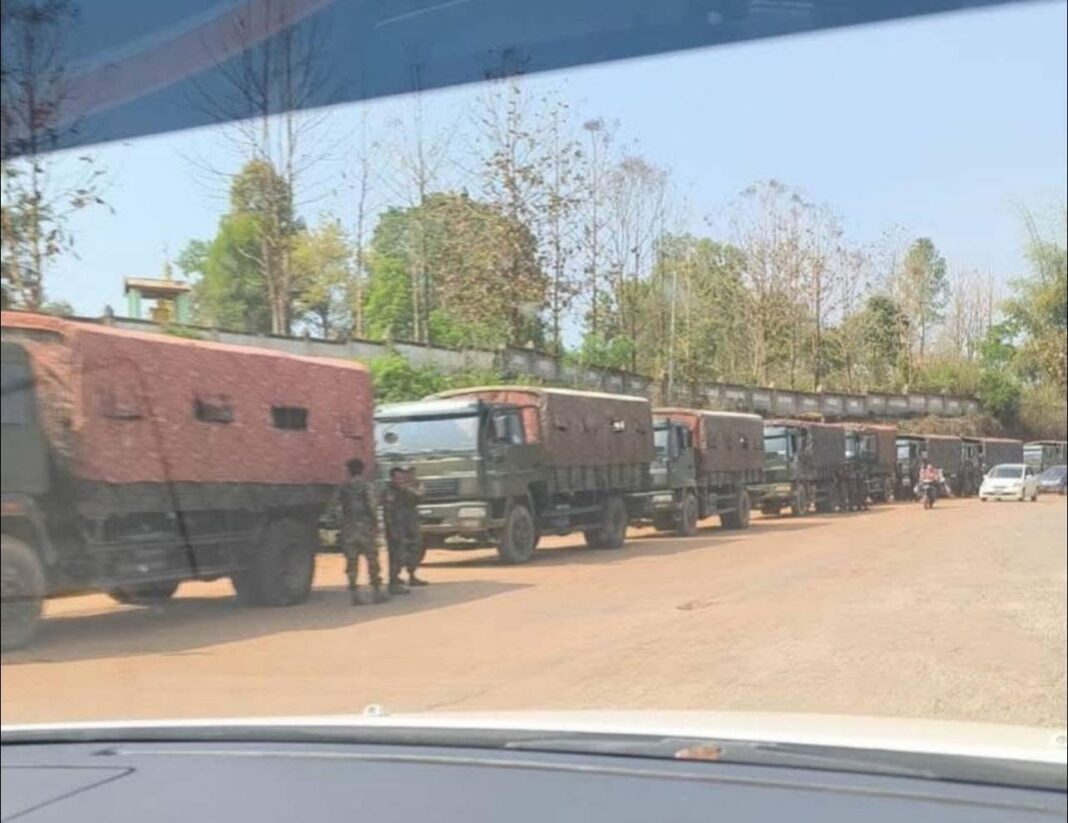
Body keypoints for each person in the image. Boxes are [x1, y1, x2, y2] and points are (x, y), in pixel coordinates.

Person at [336, 457, 386, 606]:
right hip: (365, 527)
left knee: (351, 561)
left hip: (349, 527)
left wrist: (342, 524)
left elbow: (336, 508)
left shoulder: (343, 487)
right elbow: (372, 504)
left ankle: (355, 595)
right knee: (372, 559)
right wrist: (376, 523)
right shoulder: (366, 485)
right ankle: (377, 592)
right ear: (362, 469)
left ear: (349, 470)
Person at [382, 466, 426, 593]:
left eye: (402, 477)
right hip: (396, 526)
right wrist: (391, 529)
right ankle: (394, 581)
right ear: (392, 478)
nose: (400, 480)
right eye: (397, 478)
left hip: (410, 524)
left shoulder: (408, 489)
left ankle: (412, 574)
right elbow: (387, 511)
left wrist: (409, 487)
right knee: (396, 554)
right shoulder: (389, 491)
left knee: (416, 548)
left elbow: (419, 497)